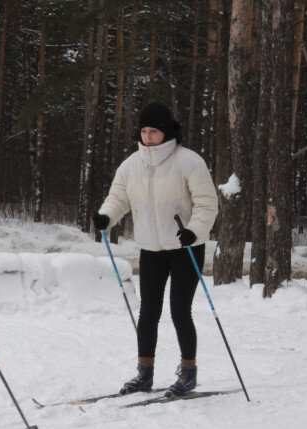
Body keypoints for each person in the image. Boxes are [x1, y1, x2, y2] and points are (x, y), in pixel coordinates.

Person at [92, 101, 218, 396]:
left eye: (154, 131)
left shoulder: (190, 162)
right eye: (144, 131)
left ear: (166, 132)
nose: (148, 137)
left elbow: (207, 203)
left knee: (179, 311)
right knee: (148, 312)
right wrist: (106, 216)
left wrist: (194, 231)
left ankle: (188, 371)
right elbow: (117, 199)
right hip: (150, 248)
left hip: (186, 247)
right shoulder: (131, 165)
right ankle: (144, 373)